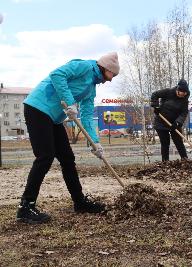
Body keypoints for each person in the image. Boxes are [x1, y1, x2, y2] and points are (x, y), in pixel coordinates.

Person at [16, 52, 120, 224]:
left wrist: (96, 143)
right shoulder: (84, 66)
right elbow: (57, 74)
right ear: (105, 68)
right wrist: (70, 101)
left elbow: (86, 117)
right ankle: (26, 207)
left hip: (54, 118)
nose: (111, 79)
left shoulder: (91, 88)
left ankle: (79, 202)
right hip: (38, 108)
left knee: (67, 158)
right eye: (112, 74)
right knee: (45, 156)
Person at [150, 79, 190, 162]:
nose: (182, 95)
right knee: (165, 143)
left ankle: (185, 161)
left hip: (174, 123)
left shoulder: (185, 100)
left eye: (184, 94)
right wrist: (156, 106)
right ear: (177, 90)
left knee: (179, 142)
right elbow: (155, 94)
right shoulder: (168, 92)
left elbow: (184, 113)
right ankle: (165, 163)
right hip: (161, 122)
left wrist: (178, 122)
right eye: (181, 93)